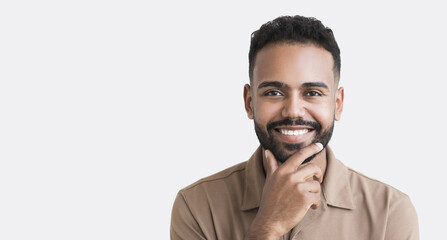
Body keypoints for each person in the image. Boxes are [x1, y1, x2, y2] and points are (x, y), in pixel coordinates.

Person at [170, 15, 419, 240]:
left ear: (338, 104)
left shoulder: (390, 212)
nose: (293, 111)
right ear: (249, 103)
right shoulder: (196, 206)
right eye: (274, 92)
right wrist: (267, 227)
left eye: (312, 92)